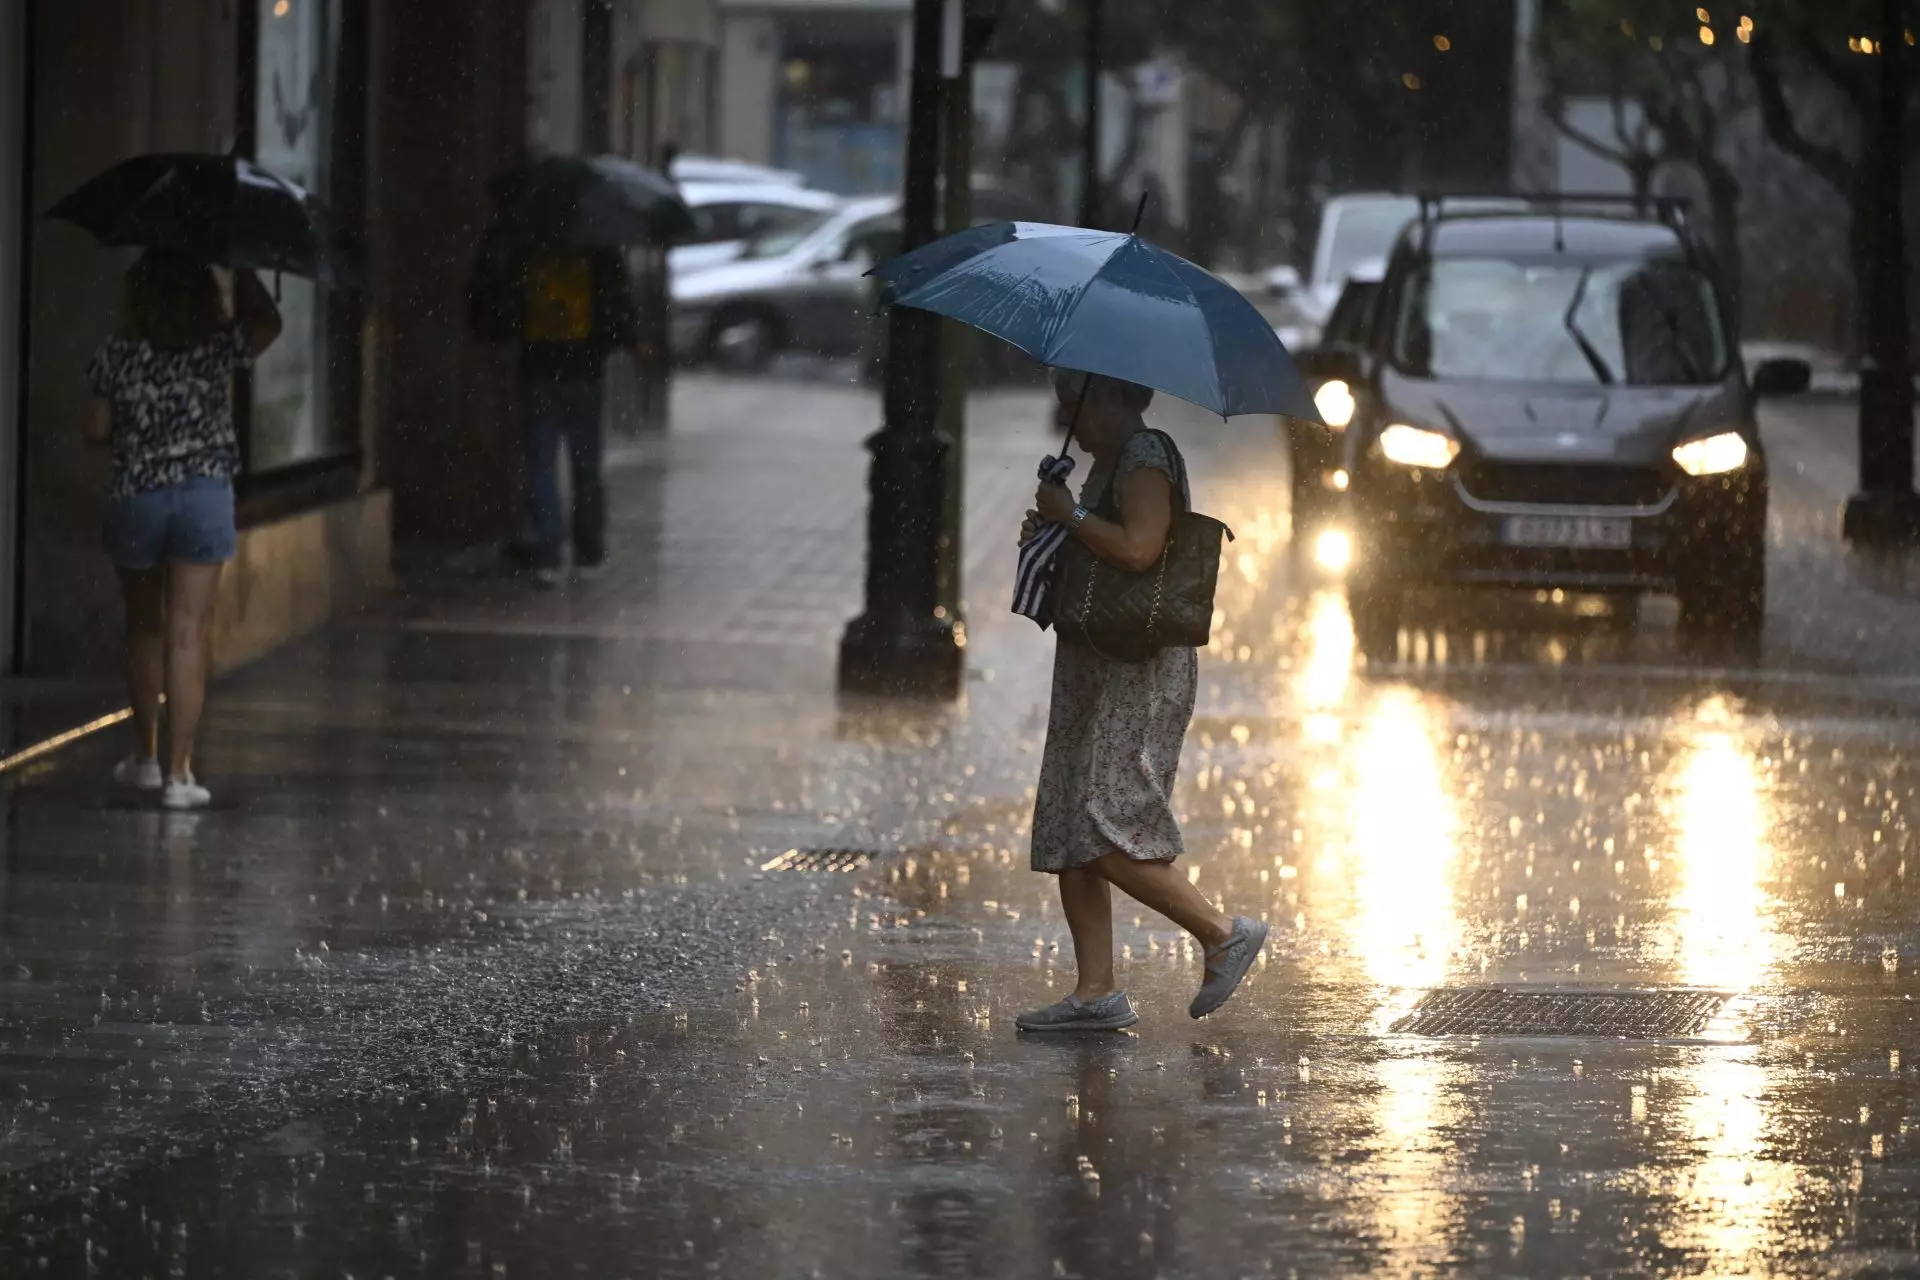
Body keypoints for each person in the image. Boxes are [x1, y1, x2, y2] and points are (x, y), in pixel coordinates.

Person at [1016, 371, 1269, 1031]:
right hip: (1095, 663)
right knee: (1074, 820)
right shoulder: (1108, 462)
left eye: (1073, 404)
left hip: (1134, 669)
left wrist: (1069, 514)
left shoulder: (1145, 457)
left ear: (1107, 397)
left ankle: (1220, 932)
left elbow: (1139, 549)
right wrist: (1055, 526)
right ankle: (1095, 990)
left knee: (1104, 822)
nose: (1066, 416)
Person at [84, 250, 281, 810]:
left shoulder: (117, 352)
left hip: (137, 494)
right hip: (203, 494)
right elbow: (270, 326)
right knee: (189, 631)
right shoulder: (217, 346)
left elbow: (96, 427)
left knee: (144, 627)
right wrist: (243, 269)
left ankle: (144, 759)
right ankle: (180, 774)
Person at [470, 232, 640, 585]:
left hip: (538, 369)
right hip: (584, 372)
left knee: (540, 463)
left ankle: (549, 553)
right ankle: (588, 553)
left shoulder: (527, 245)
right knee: (586, 464)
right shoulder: (598, 247)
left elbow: (502, 306)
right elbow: (619, 312)